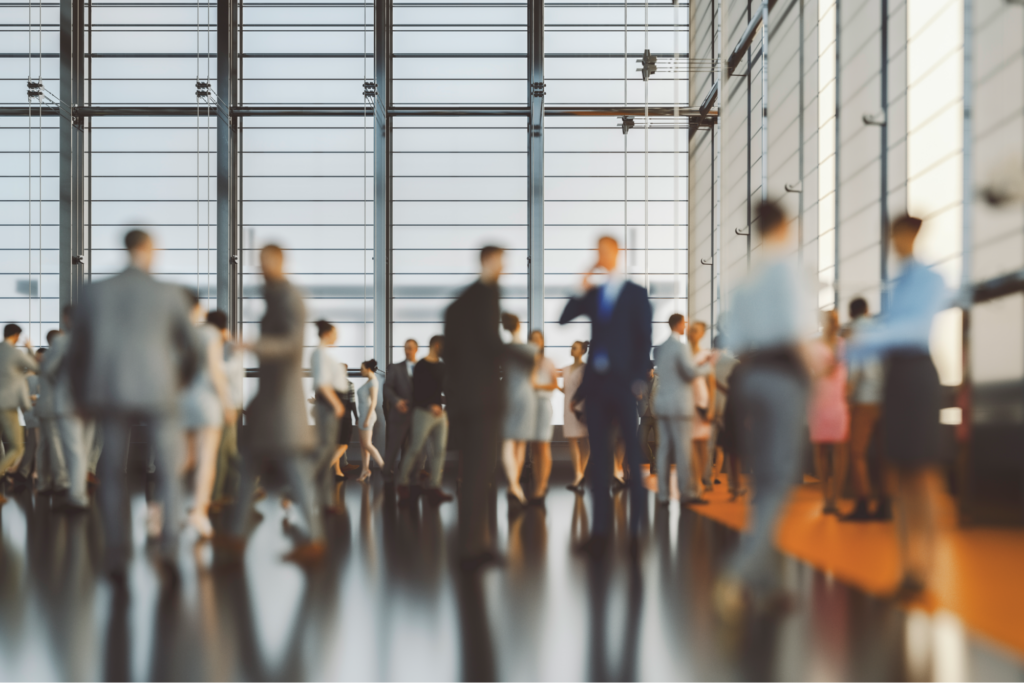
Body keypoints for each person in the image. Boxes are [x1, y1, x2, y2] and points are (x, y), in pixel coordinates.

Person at [68, 229, 199, 579]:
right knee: (169, 471)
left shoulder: (94, 292)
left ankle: (116, 554)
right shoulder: (169, 293)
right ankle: (168, 545)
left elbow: (78, 351)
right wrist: (180, 379)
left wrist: (80, 396)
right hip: (159, 388)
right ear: (149, 249)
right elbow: (194, 346)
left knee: (113, 472)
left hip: (111, 390)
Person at [714, 200, 814, 616]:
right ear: (786, 225)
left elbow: (729, 341)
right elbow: (797, 332)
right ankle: (736, 575)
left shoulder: (744, 280)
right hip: (782, 378)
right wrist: (818, 380)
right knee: (779, 478)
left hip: (748, 378)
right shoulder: (786, 269)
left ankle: (773, 584)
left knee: (762, 480)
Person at [847, 214, 951, 599]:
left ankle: (927, 565)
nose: (895, 241)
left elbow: (913, 330)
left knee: (922, 474)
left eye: (898, 234)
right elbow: (890, 332)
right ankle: (909, 568)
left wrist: (858, 342)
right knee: (901, 473)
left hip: (918, 373)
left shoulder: (930, 279)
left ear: (912, 235)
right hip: (895, 376)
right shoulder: (898, 284)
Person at [223, 244, 324, 565]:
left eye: (266, 262)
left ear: (280, 262)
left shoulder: (288, 297)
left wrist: (254, 345)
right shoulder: (274, 297)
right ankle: (236, 536)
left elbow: (292, 345)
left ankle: (316, 538)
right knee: (252, 466)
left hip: (282, 403)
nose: (261, 268)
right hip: (270, 401)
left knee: (294, 470)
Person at [559, 236, 653, 551]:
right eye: (598, 251)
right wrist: (583, 283)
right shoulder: (595, 294)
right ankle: (599, 534)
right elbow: (564, 317)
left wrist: (637, 382)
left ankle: (636, 535)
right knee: (599, 458)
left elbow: (644, 340)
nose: (602, 255)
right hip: (597, 387)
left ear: (619, 253)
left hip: (625, 386)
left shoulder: (636, 295)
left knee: (632, 456)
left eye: (607, 251)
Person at [444, 246, 507, 569]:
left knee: (472, 474)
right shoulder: (487, 294)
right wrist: (527, 357)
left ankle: (472, 543)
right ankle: (473, 547)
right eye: (502, 261)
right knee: (481, 472)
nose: (504, 267)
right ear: (490, 261)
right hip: (483, 400)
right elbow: (490, 342)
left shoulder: (458, 304)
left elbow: (452, 355)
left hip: (465, 400)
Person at [180, 301, 235, 538]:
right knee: (207, 460)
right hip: (207, 404)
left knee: (184, 460)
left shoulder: (189, 333)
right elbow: (214, 370)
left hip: (185, 402)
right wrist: (227, 403)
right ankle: (199, 514)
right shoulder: (212, 334)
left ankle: (158, 511)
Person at [652, 314, 714, 506]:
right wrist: (708, 366)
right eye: (685, 324)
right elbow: (690, 373)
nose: (686, 326)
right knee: (683, 450)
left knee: (663, 450)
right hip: (680, 405)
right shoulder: (681, 347)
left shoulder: (659, 349)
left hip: (662, 403)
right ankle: (686, 493)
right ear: (679, 324)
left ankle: (662, 495)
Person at [43, 307, 95, 512]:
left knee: (74, 450)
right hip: (92, 402)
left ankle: (77, 496)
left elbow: (48, 370)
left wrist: (60, 383)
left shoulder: (62, 341)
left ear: (67, 319)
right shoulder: (95, 340)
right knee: (84, 449)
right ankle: (79, 494)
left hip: (68, 401)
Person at [842, 297, 887, 521]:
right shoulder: (880, 330)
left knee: (857, 453)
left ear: (851, 314)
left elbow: (855, 367)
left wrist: (848, 395)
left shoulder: (853, 333)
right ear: (867, 310)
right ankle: (886, 504)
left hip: (864, 398)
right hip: (885, 399)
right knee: (884, 453)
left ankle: (863, 503)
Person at [396, 335, 452, 504]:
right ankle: (402, 483)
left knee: (440, 450)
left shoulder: (443, 367)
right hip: (423, 412)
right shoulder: (421, 366)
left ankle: (434, 487)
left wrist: (446, 412)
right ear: (436, 345)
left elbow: (447, 390)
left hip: (440, 415)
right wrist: (430, 405)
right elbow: (418, 392)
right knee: (415, 448)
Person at [807, 309, 850, 516]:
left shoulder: (844, 344)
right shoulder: (814, 346)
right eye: (830, 319)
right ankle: (826, 496)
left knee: (840, 449)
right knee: (821, 449)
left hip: (839, 400)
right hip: (820, 400)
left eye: (836, 319)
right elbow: (808, 372)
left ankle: (837, 496)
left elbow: (851, 370)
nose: (834, 322)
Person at [310, 320, 351, 511]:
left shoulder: (324, 354)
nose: (337, 337)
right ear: (326, 333)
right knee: (326, 452)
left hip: (332, 405)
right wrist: (337, 405)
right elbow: (322, 383)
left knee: (327, 452)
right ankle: (292, 491)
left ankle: (326, 501)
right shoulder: (319, 354)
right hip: (329, 406)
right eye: (335, 333)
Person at [500, 314, 538, 507]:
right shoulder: (531, 349)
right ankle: (515, 487)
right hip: (525, 396)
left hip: (507, 395)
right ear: (519, 325)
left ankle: (513, 485)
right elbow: (532, 377)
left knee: (507, 441)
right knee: (520, 443)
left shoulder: (502, 350)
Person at [211, 312, 244, 509]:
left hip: (230, 405)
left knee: (221, 451)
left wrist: (209, 363)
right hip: (226, 404)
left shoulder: (229, 346)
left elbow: (226, 371)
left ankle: (215, 497)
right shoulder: (222, 345)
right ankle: (250, 485)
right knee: (229, 451)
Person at [0, 323, 38, 490]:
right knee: (16, 446)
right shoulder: (15, 353)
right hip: (7, 405)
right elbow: (37, 367)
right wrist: (29, 349)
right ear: (16, 336)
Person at [383, 339, 421, 483]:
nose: (407, 351)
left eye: (410, 348)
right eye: (405, 348)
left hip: (418, 414)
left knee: (416, 448)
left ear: (416, 349)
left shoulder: (421, 367)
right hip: (399, 413)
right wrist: (396, 401)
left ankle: (413, 478)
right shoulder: (395, 367)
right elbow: (387, 387)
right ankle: (387, 476)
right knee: (393, 447)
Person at [528, 329, 557, 501]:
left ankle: (542, 485)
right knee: (534, 447)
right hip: (530, 406)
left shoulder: (548, 362)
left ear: (543, 342)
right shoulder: (527, 361)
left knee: (543, 445)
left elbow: (554, 384)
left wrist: (536, 386)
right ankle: (539, 483)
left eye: (538, 339)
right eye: (532, 339)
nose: (535, 342)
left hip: (543, 405)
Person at [688, 320, 717, 492]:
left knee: (703, 445)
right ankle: (696, 481)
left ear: (702, 334)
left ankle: (703, 477)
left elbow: (711, 384)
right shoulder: (683, 353)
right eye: (690, 329)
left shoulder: (705, 355)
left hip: (702, 401)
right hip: (686, 402)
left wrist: (712, 407)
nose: (691, 333)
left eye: (695, 330)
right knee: (689, 443)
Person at [559, 341, 590, 492]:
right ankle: (579, 474)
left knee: (585, 440)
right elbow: (566, 390)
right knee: (572, 440)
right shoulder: (565, 369)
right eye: (571, 347)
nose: (572, 350)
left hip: (582, 408)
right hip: (569, 408)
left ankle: (579, 474)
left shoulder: (586, 369)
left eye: (575, 348)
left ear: (582, 351)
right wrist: (554, 385)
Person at [355, 359, 385, 482]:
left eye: (362, 368)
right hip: (363, 416)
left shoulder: (373, 382)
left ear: (368, 369)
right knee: (363, 445)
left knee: (367, 444)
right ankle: (365, 470)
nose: (360, 371)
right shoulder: (368, 381)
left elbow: (373, 402)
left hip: (368, 416)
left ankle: (384, 467)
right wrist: (360, 417)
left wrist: (366, 419)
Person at [635, 362, 658, 470]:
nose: (646, 373)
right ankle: (652, 459)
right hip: (644, 415)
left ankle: (656, 465)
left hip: (658, 415)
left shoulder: (660, 381)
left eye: (648, 370)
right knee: (641, 440)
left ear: (653, 370)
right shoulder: (639, 381)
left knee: (659, 443)